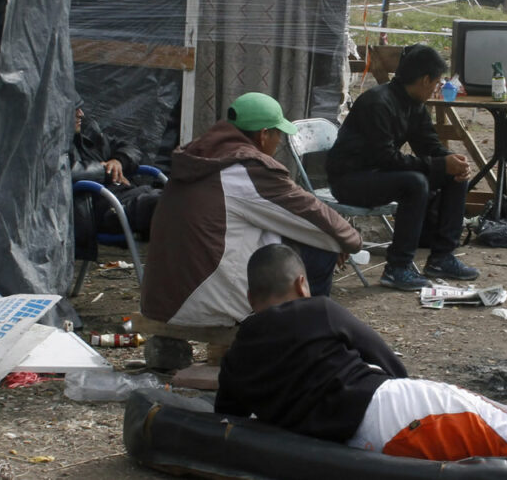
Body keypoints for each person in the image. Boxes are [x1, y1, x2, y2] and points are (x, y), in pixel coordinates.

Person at [216, 244, 507, 480]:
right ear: (301, 283)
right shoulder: (317, 308)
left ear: (252, 299)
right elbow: (390, 364)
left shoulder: (236, 358)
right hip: (391, 412)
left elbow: (229, 419)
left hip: (349, 445)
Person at [140, 92, 361, 326]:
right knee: (320, 250)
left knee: (294, 234)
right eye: (278, 135)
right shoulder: (248, 169)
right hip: (203, 302)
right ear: (264, 135)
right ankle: (304, 334)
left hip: (163, 301)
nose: (278, 143)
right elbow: (314, 215)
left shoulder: (198, 157)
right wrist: (348, 241)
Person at [327, 44, 476, 291]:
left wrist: (452, 162)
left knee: (454, 176)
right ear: (425, 79)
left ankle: (442, 258)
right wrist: (440, 165)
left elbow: (429, 145)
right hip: (350, 180)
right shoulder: (378, 102)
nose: (436, 89)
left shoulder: (414, 104)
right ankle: (397, 267)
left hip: (380, 173)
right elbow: (385, 158)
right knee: (415, 183)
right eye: (436, 83)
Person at [70, 102, 162, 262]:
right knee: (169, 204)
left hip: (129, 195)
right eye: (74, 110)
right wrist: (106, 172)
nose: (81, 114)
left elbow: (131, 148)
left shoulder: (89, 133)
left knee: (182, 200)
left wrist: (119, 161)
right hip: (104, 210)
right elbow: (66, 174)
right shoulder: (52, 146)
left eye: (80, 108)